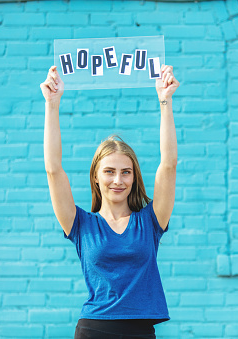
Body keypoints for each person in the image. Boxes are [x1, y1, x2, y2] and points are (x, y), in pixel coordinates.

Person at [40, 64, 179, 339]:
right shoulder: (80, 224)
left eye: (126, 172)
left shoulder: (150, 221)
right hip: (94, 329)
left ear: (134, 177)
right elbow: (53, 169)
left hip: (140, 331)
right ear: (96, 177)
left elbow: (169, 165)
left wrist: (165, 101)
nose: (118, 180)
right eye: (109, 171)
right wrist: (52, 106)